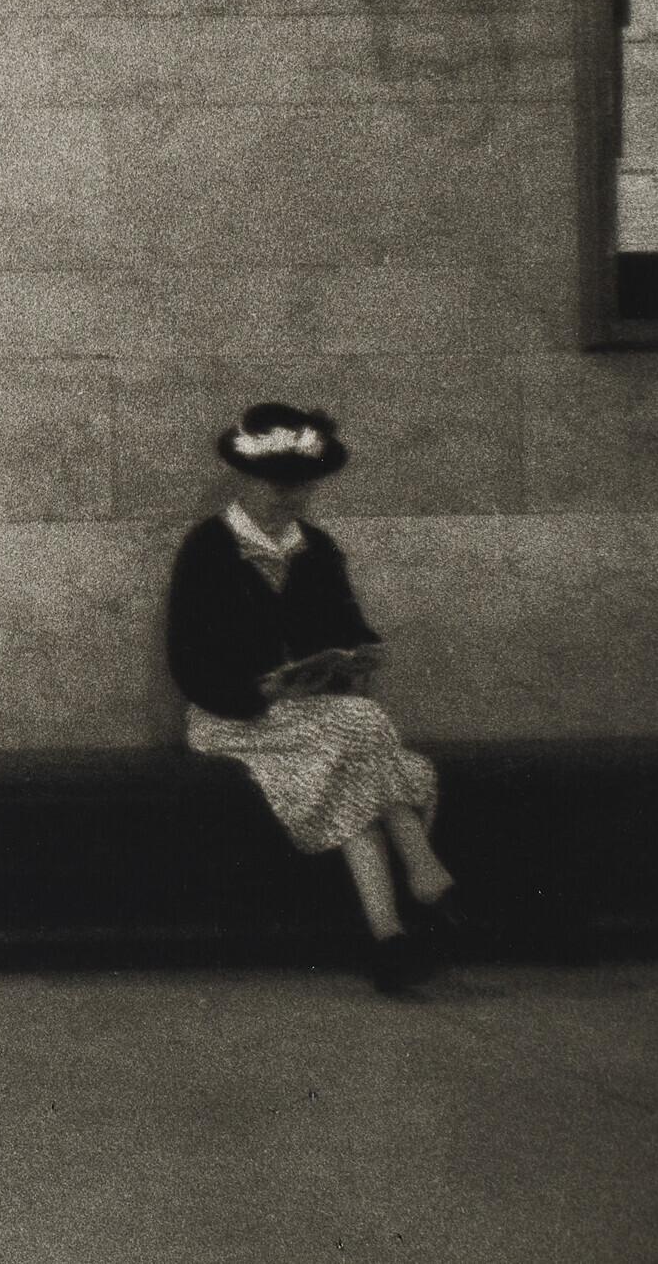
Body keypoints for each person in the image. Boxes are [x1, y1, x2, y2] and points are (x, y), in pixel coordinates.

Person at [164, 402, 461, 993]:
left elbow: (347, 626)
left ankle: (388, 937)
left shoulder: (318, 549)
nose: (290, 498)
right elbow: (187, 661)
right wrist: (256, 690)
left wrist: (354, 657)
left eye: (302, 487)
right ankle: (423, 868)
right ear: (246, 480)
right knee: (362, 725)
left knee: (350, 766)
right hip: (234, 721)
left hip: (316, 722)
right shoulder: (208, 549)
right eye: (278, 485)